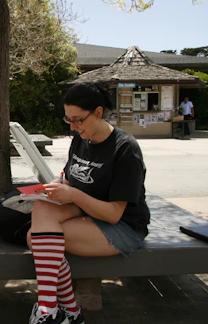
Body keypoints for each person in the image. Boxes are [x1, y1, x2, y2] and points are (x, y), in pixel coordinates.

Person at [27, 82, 151, 324]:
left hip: (122, 226)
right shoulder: (81, 139)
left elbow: (115, 214)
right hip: (88, 212)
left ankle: (52, 310)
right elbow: (70, 179)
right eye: (68, 120)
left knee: (39, 239)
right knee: (42, 213)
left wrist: (72, 195)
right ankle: (62, 310)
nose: (73, 127)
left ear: (98, 112)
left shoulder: (125, 149)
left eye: (78, 120)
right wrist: (55, 186)